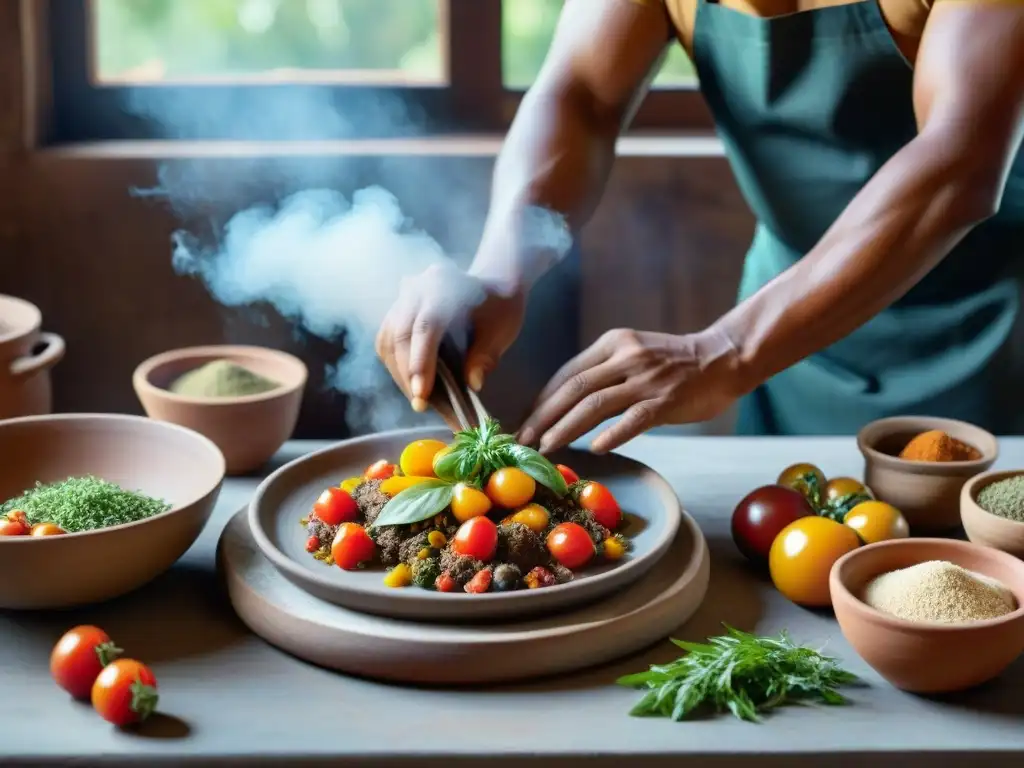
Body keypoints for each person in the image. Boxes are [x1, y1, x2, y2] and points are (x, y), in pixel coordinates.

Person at [377, 0, 1024, 454]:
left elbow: (959, 159)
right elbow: (581, 98)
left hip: (991, 321)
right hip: (794, 323)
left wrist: (728, 351)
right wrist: (499, 272)